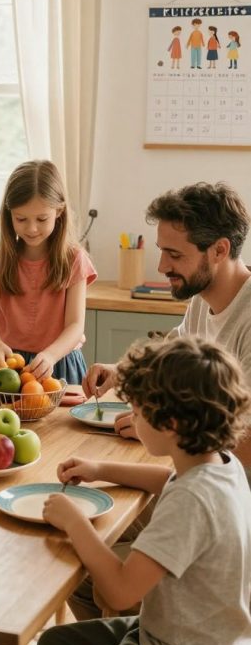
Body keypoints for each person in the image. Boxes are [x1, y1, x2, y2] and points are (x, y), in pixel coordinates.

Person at [14, 335, 251, 645]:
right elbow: (169, 482)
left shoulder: (193, 503)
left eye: (139, 411)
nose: (132, 417)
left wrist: (76, 523)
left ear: (172, 424)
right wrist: (102, 468)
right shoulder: (220, 466)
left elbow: (121, 592)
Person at [83, 182, 251, 472]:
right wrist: (120, 371)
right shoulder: (202, 298)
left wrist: (166, 431)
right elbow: (169, 362)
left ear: (220, 250)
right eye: (162, 251)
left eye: (175, 255)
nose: (162, 267)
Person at [0, 160, 96, 384]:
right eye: (21, 219)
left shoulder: (74, 259)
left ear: (59, 211)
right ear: (9, 214)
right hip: (9, 366)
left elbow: (75, 324)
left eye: (42, 219)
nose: (31, 229)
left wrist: (50, 355)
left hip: (59, 363)